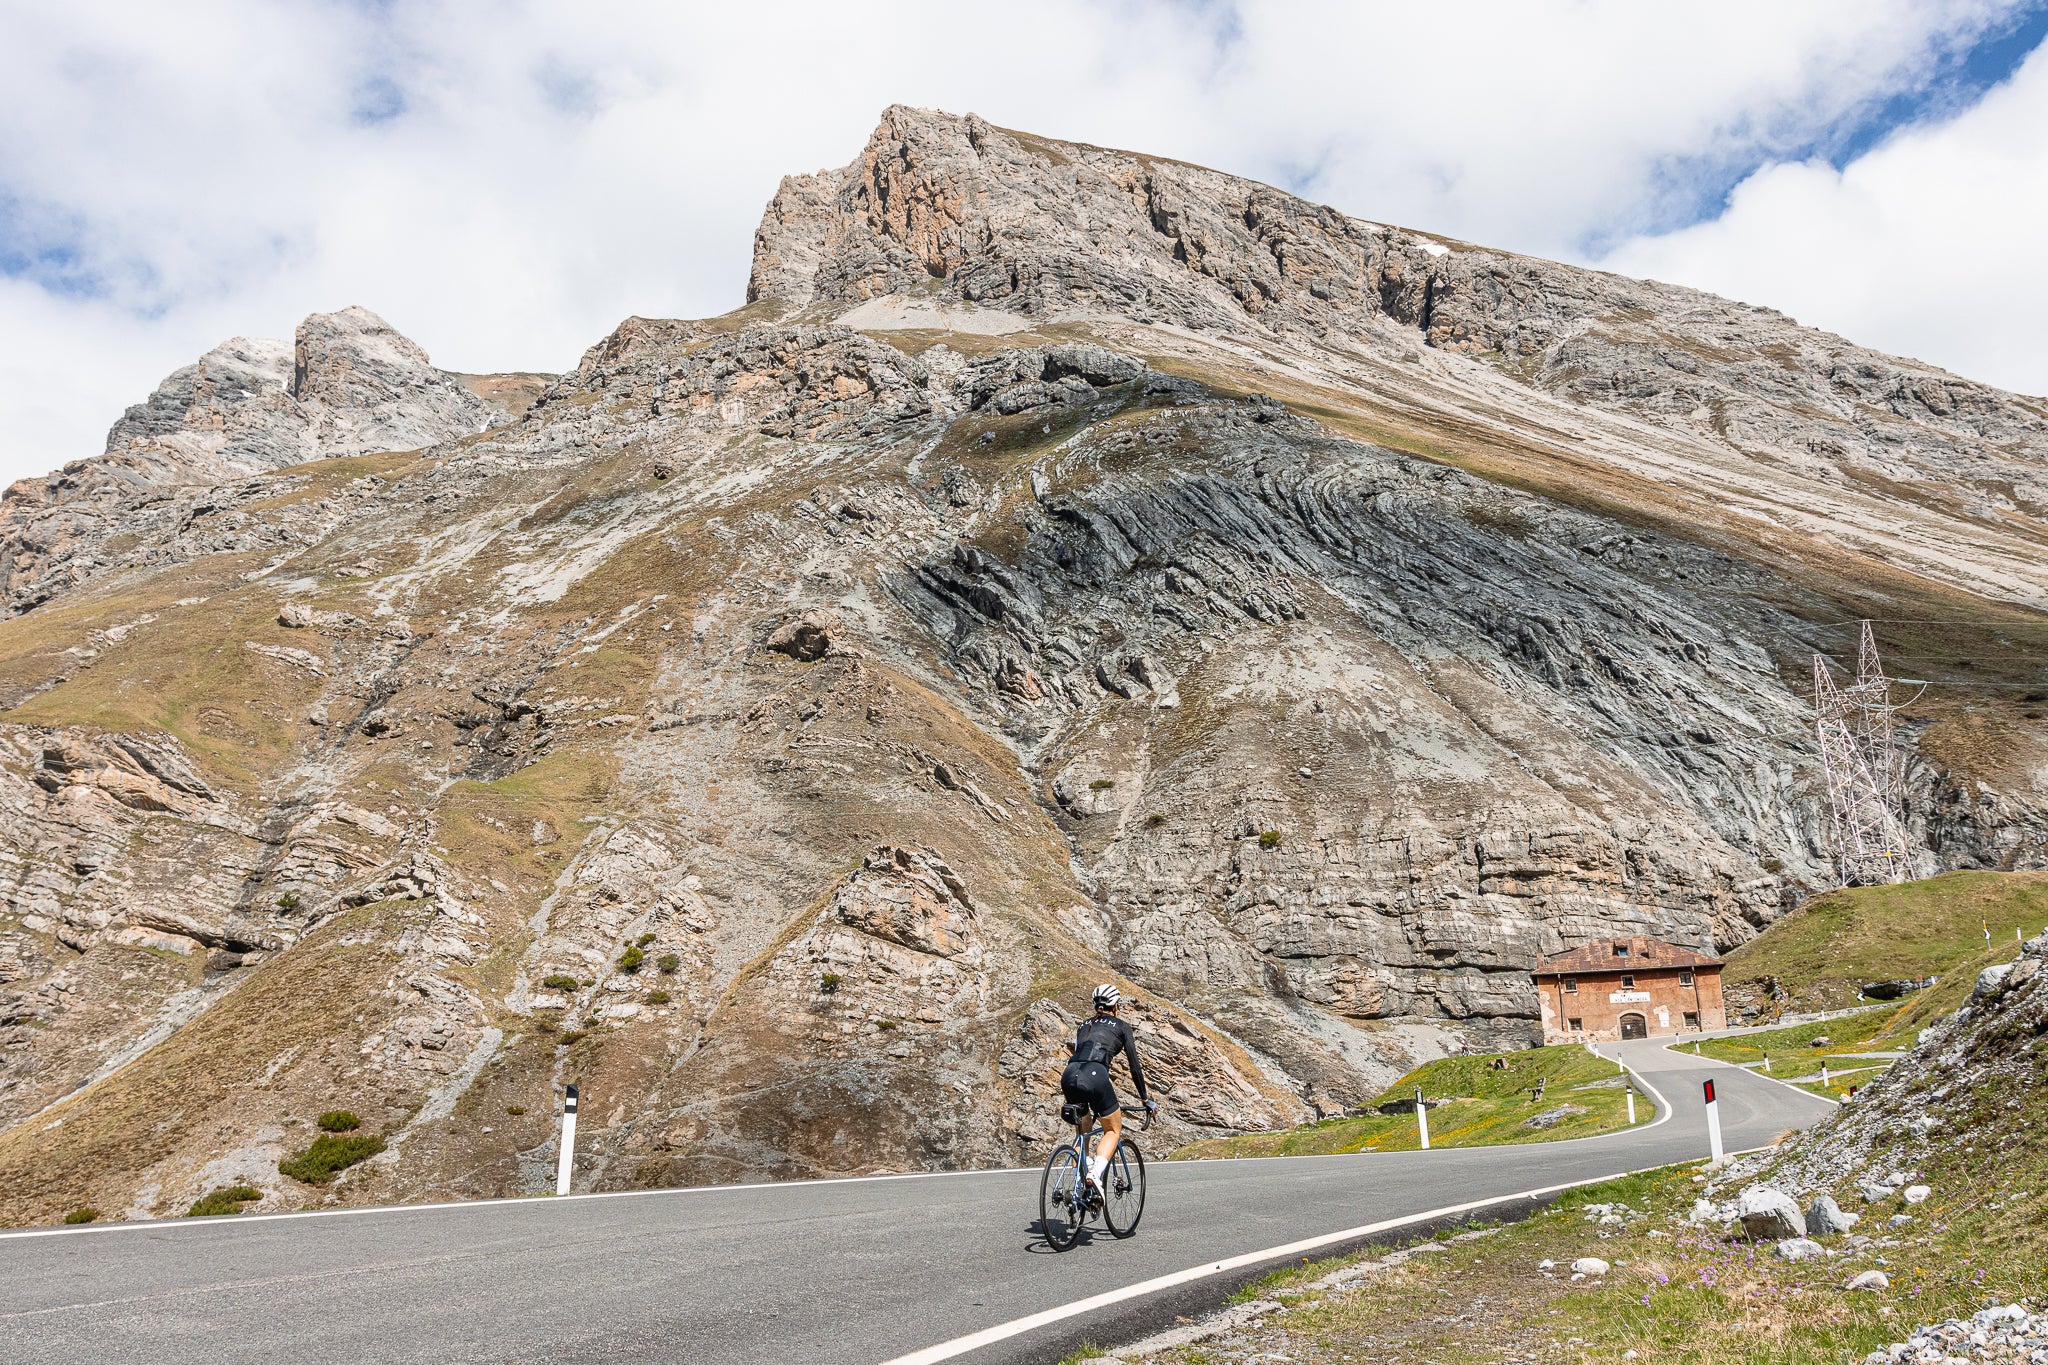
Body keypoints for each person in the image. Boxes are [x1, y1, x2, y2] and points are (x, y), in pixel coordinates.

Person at [1061, 983, 1156, 1199]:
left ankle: (1078, 1184)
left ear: (1095, 1004)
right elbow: (1134, 1066)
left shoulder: (1083, 1026)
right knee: (1112, 1130)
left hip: (1069, 1074)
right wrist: (1145, 1099)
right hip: (1095, 1074)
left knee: (1082, 1134)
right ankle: (1095, 1174)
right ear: (1115, 1006)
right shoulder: (1121, 1026)